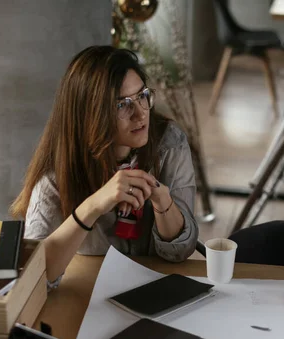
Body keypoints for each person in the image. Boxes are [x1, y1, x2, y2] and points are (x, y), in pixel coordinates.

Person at [11, 46, 199, 286]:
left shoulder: (168, 143)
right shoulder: (56, 174)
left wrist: (164, 203)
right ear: (89, 114)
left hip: (156, 290)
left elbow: (181, 252)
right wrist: (94, 204)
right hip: (90, 295)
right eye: (122, 105)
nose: (141, 114)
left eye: (142, 96)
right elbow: (33, 278)